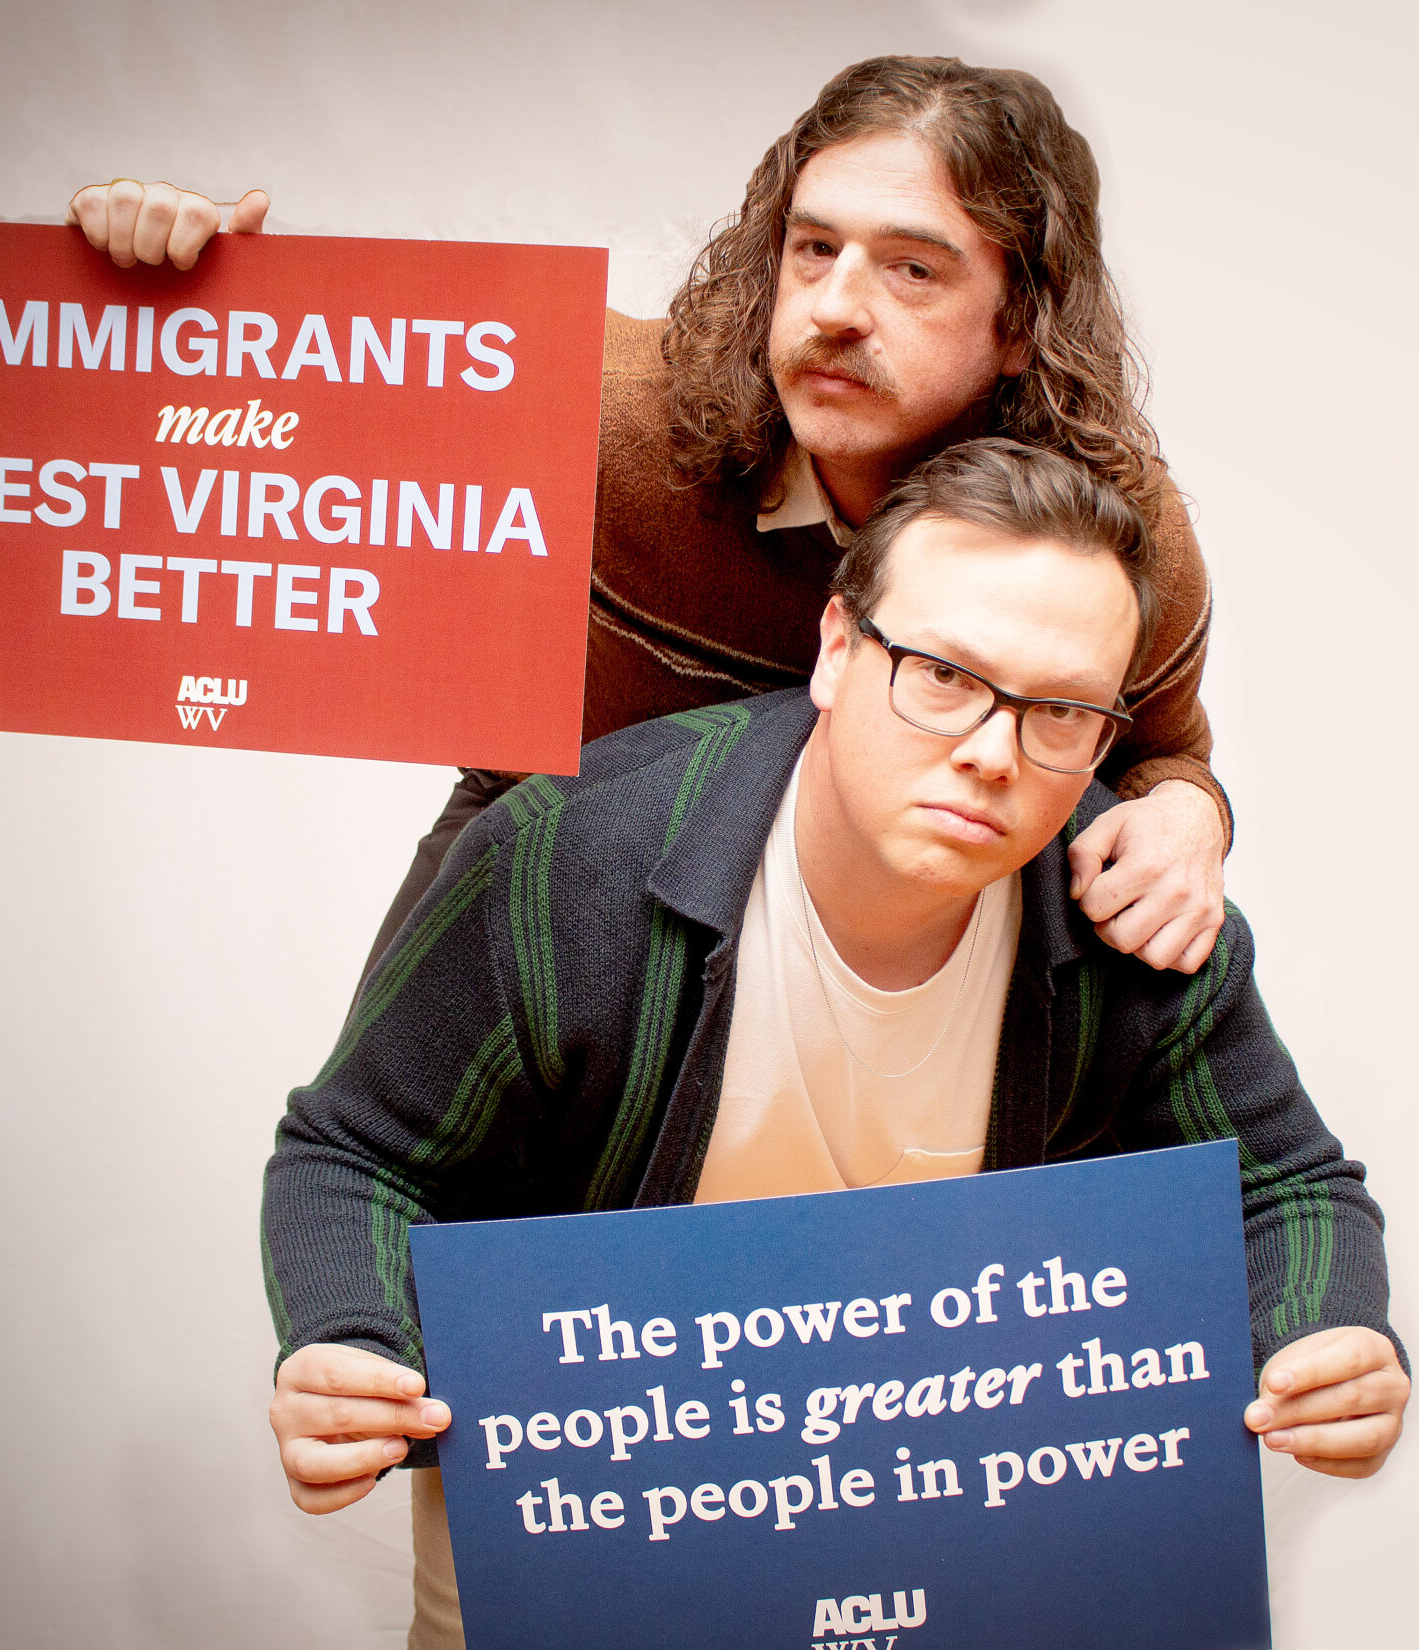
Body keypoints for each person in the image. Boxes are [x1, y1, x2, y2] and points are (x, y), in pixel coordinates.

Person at [263, 440, 1410, 1650]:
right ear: (835, 648)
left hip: (975, 1506)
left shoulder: (1139, 919)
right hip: (595, 1501)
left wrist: (1328, 1325)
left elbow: (1292, 1184)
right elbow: (356, 1151)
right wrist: (350, 1338)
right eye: (942, 675)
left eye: (1061, 711)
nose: (992, 750)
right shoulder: (562, 860)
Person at [68, 56, 1237, 985]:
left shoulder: (1115, 536)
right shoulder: (605, 416)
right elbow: (287, 414)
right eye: (814, 247)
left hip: (876, 943)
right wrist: (196, 287)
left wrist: (1187, 816)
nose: (832, 307)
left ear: (1022, 320)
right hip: (558, 857)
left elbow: (1162, 750)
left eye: (912, 271)